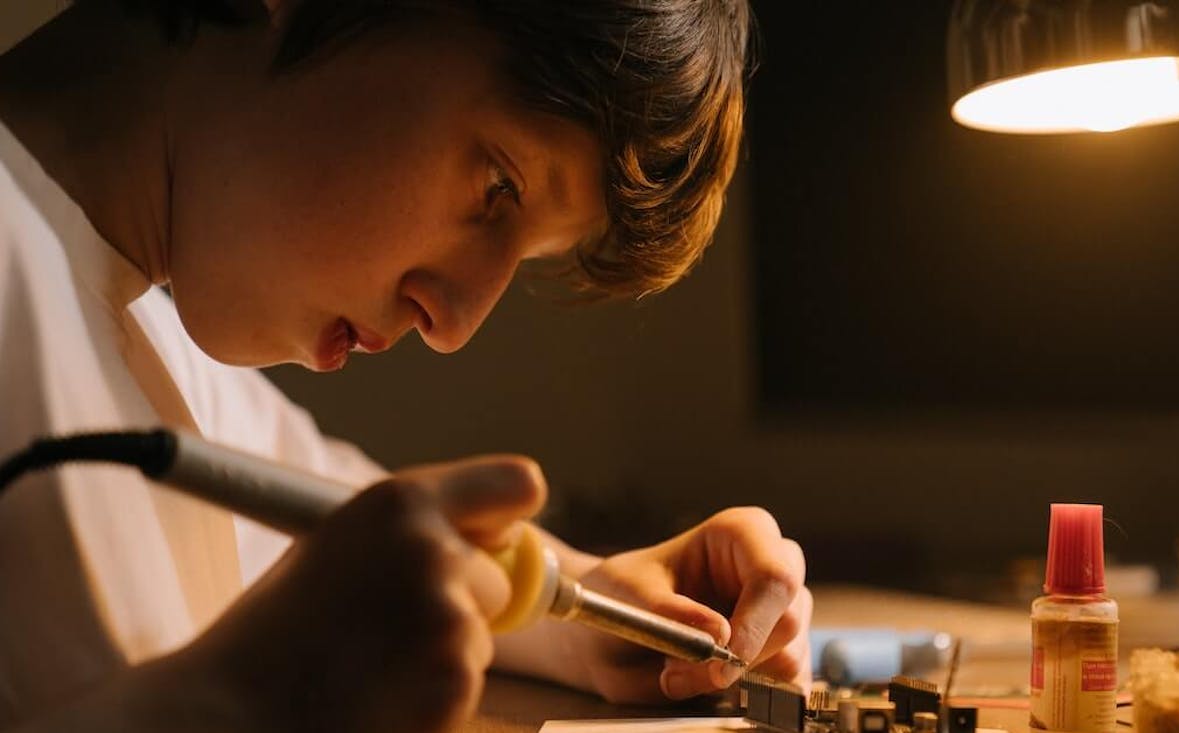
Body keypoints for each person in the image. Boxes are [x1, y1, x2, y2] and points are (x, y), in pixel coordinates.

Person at [0, 1, 812, 730]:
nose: (454, 324)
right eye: (498, 184)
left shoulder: (163, 353)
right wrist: (237, 702)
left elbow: (369, 529)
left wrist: (600, 608)